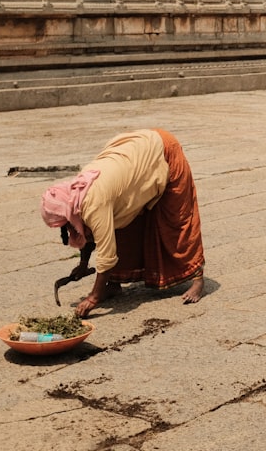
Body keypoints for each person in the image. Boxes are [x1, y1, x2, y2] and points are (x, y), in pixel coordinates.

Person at [40, 129, 205, 317]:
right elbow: (87, 230)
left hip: (162, 149)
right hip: (131, 153)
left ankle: (198, 279)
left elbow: (106, 253)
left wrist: (94, 297)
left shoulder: (94, 202)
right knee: (121, 229)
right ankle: (113, 284)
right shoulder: (74, 194)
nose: (67, 228)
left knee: (178, 220)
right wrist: (83, 264)